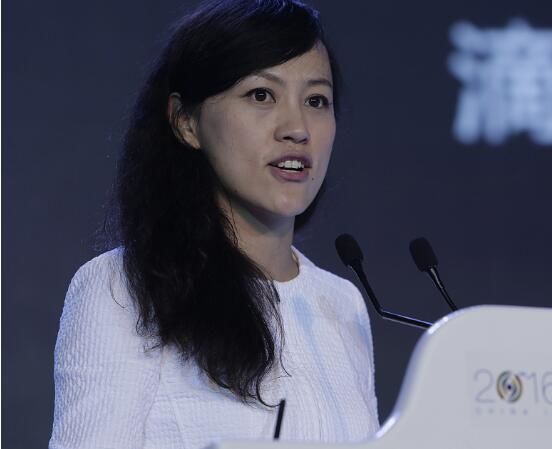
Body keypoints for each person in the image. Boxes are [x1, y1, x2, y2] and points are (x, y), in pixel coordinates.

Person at [49, 1, 379, 448]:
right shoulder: (124, 287)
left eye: (316, 100)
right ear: (186, 123)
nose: (297, 128)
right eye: (261, 95)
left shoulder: (342, 304)